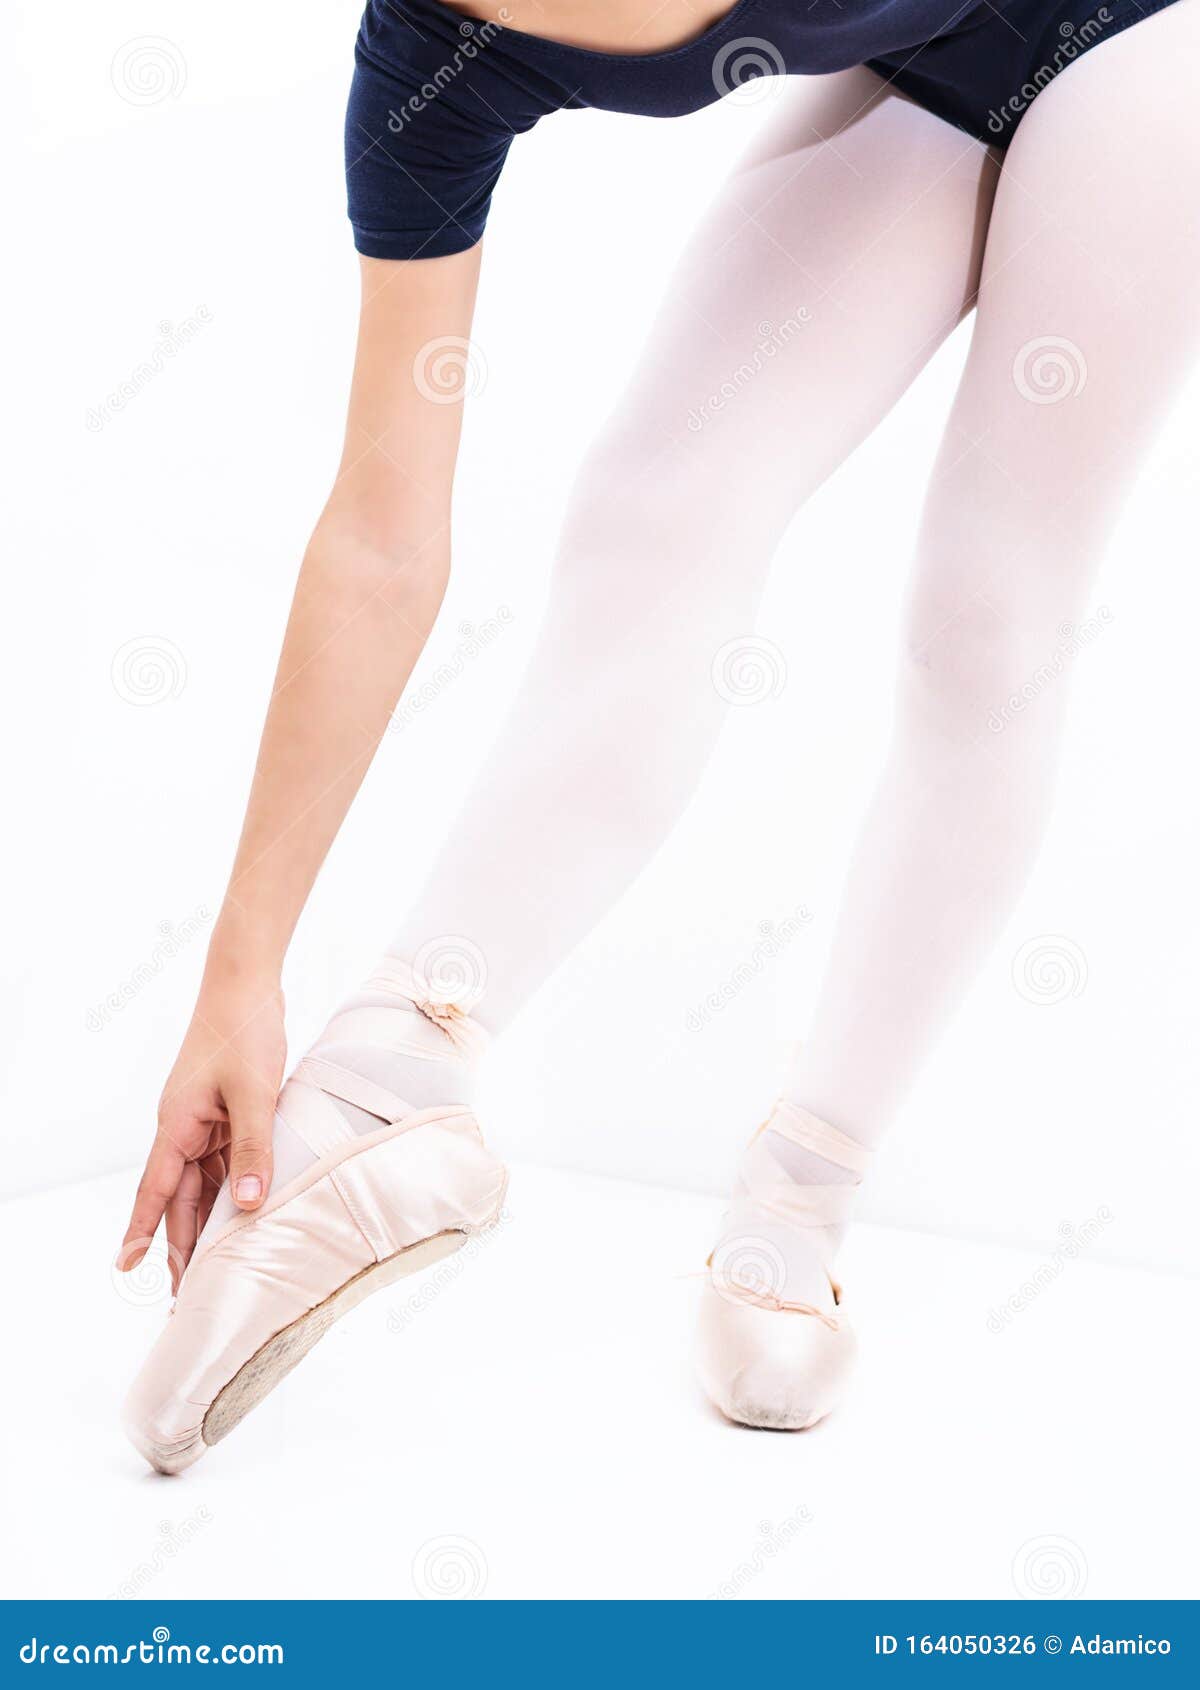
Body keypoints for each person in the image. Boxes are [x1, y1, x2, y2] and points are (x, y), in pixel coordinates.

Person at [120, 0, 1199, 1470]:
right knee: (657, 508)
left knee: (990, 613)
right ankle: (391, 1077)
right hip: (920, 53)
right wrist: (239, 971)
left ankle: (806, 1181)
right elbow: (382, 536)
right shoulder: (428, 64)